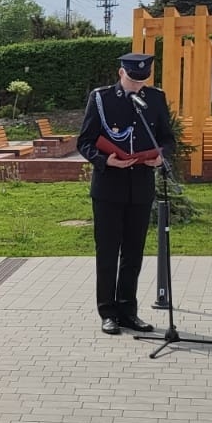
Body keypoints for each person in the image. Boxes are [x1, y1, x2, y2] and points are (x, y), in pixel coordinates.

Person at [77, 52, 175, 335]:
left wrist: (161, 156)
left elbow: (168, 139)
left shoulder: (154, 99)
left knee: (133, 254)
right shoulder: (101, 98)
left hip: (141, 187)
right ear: (121, 73)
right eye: (133, 80)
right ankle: (107, 311)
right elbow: (84, 141)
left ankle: (128, 311)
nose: (137, 86)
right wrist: (104, 160)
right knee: (107, 252)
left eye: (141, 81)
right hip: (108, 187)